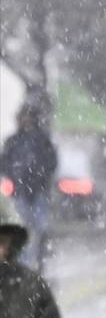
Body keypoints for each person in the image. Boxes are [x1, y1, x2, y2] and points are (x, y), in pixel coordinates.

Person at [0, 101, 58, 272]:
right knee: (24, 229)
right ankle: (25, 264)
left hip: (38, 191)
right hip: (21, 192)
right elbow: (4, 163)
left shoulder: (41, 140)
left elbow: (51, 163)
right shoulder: (14, 141)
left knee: (38, 229)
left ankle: (35, 261)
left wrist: (40, 177)